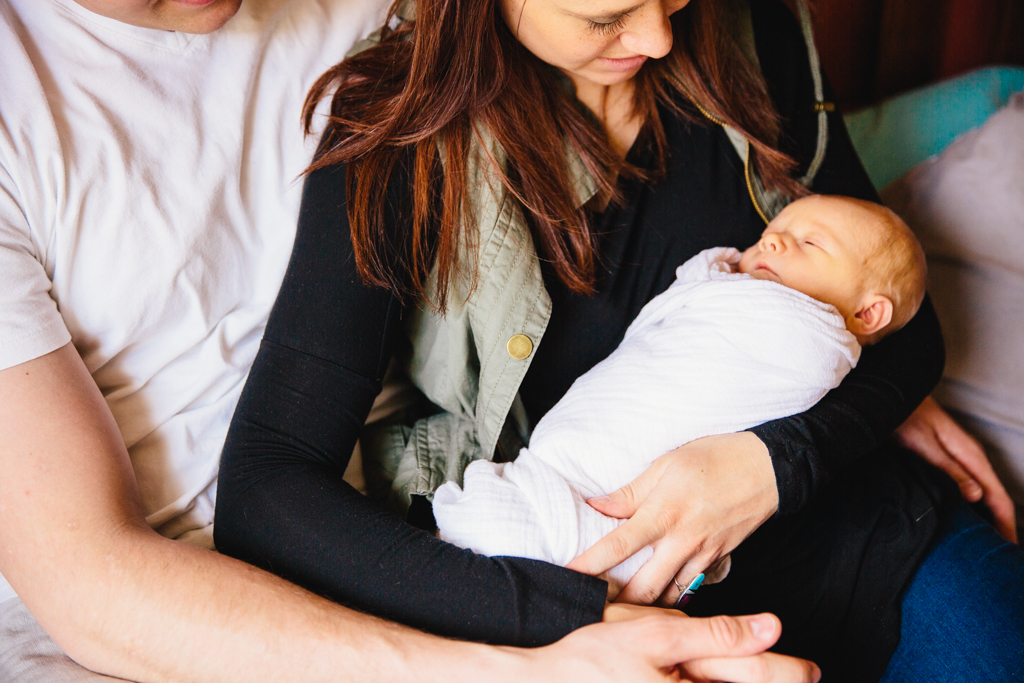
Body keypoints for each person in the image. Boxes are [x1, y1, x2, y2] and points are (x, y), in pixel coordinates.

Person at [0, 1, 825, 682]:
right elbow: (92, 575)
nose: (654, 37)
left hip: (430, 521)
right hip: (154, 613)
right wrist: (540, 653)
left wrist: (821, 386)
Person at [213, 0, 1024, 681]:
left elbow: (899, 322)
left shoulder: (751, 29)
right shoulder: (400, 135)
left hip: (862, 529)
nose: (661, 39)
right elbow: (265, 489)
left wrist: (769, 466)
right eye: (606, 16)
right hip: (602, 606)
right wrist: (578, 617)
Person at [433, 195, 926, 593]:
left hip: (628, 507)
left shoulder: (811, 340)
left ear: (868, 316)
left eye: (811, 243)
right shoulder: (735, 292)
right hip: (559, 463)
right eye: (770, 233)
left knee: (512, 554)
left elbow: (836, 354)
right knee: (481, 544)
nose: (772, 242)